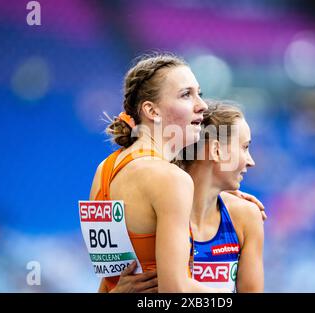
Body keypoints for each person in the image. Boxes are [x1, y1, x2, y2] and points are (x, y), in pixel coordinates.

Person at [89, 53, 229, 292]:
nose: (202, 105)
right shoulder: (170, 179)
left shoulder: (105, 170)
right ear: (152, 111)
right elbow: (175, 290)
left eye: (199, 94)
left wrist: (228, 200)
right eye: (186, 95)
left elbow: (110, 280)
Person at [104, 101, 265, 293]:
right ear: (216, 150)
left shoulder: (245, 216)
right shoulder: (145, 210)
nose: (251, 161)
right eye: (245, 147)